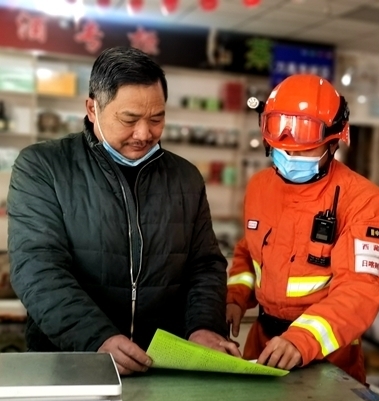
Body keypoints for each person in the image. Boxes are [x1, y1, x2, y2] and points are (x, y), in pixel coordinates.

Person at [8, 46, 240, 375]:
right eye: (129, 120)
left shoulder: (185, 177)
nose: (144, 134)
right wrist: (96, 339)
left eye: (156, 119)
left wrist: (203, 327)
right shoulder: (43, 167)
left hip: (163, 369)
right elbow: (37, 268)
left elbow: (204, 266)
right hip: (71, 362)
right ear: (92, 108)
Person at [225, 74, 379, 384]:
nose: (291, 156)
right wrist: (236, 296)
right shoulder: (259, 186)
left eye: (304, 150)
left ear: (334, 142)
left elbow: (360, 289)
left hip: (329, 358)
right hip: (262, 345)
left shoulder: (363, 199)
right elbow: (249, 251)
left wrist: (303, 339)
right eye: (282, 148)